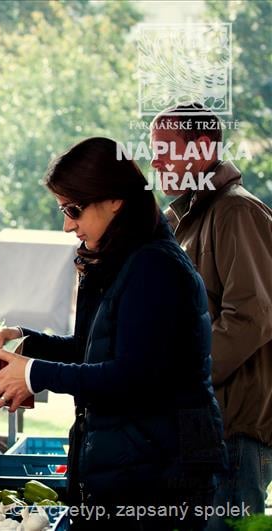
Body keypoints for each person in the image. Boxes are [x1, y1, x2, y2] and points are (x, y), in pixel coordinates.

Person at [0, 137, 226, 530]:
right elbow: (90, 349)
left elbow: (133, 377)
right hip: (127, 465)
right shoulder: (116, 259)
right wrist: (26, 341)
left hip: (159, 478)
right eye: (63, 210)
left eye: (73, 209)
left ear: (115, 200)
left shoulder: (155, 267)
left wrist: (34, 374)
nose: (67, 224)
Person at [151, 103, 272, 529]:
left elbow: (251, 316)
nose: (155, 162)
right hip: (207, 426)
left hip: (234, 432)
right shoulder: (190, 216)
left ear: (202, 148)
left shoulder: (236, 212)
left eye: (164, 149)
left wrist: (181, 378)